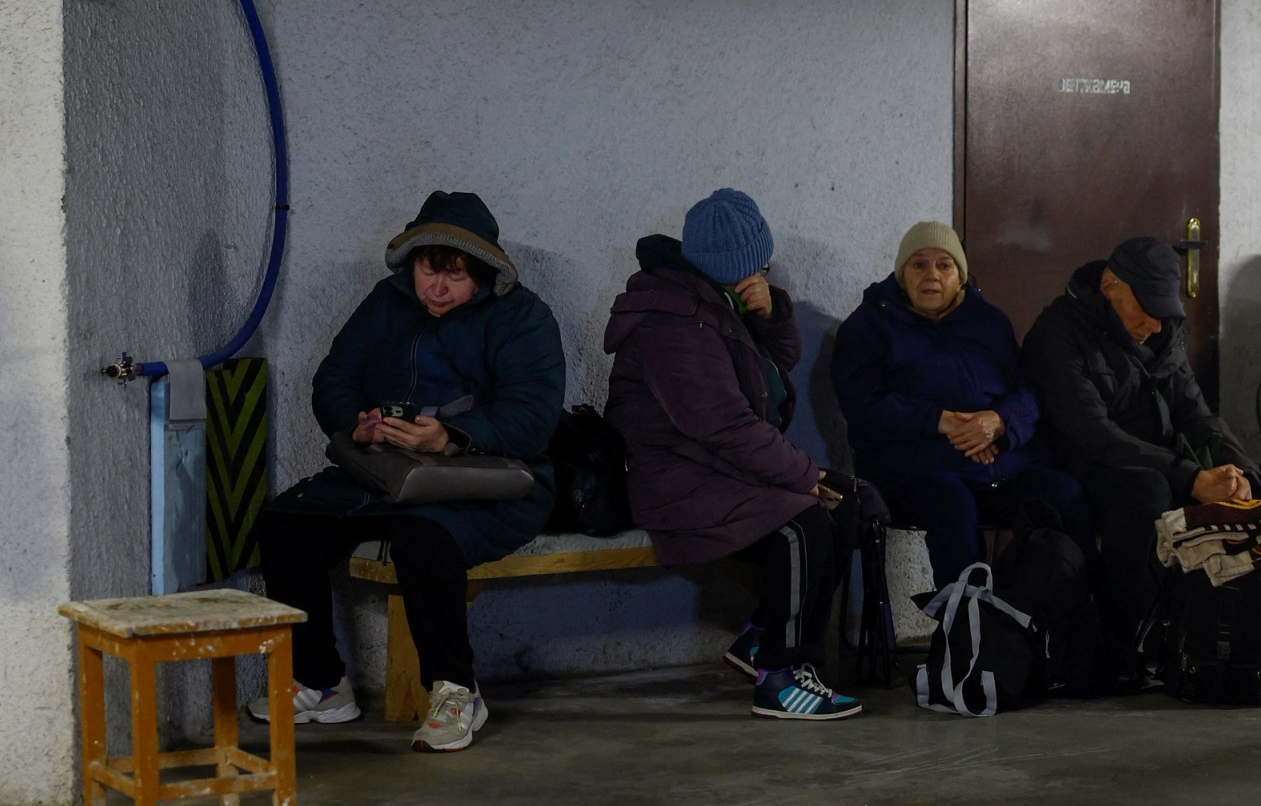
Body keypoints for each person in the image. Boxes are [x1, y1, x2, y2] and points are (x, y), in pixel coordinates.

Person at [246, 191, 565, 751]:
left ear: (483, 274)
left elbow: (533, 416)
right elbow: (334, 378)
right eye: (427, 271)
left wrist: (451, 436)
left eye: (455, 276)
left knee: (425, 537)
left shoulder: (523, 317)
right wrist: (357, 427)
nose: (436, 289)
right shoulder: (386, 302)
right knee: (284, 523)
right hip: (387, 472)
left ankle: (456, 691)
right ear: (411, 263)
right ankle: (321, 683)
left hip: (489, 480)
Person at [603, 188, 861, 721]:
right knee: (803, 525)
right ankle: (781, 679)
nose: (763, 274)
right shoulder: (675, 322)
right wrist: (803, 475)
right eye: (759, 267)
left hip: (716, 466)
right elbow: (724, 426)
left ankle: (760, 640)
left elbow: (773, 374)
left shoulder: (715, 301)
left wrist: (769, 316)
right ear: (735, 267)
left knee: (849, 502)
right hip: (674, 477)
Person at [1019, 237, 1261, 673]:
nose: (1153, 324)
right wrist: (1191, 478)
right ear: (1110, 286)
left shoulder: (1162, 330)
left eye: (1163, 311)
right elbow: (1094, 435)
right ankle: (1129, 642)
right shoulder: (1058, 332)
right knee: (1147, 489)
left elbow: (1196, 414)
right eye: (1145, 308)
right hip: (1088, 466)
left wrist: (1240, 471)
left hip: (1164, 464)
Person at [831, 221, 1095, 588]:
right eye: (919, 264)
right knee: (952, 506)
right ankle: (967, 620)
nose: (932, 275)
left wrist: (998, 422)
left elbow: (1029, 389)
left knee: (1064, 494)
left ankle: (1073, 614)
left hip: (999, 466)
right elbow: (862, 403)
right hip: (914, 472)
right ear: (902, 274)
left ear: (961, 277)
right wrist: (939, 421)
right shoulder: (869, 327)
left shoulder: (990, 322)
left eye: (944, 265)